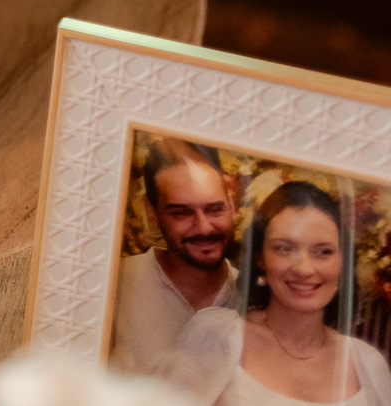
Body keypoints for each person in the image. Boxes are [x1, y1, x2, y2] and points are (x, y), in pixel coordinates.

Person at [158, 180, 391, 406]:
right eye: (284, 249)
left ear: (342, 263)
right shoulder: (217, 335)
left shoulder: (367, 363)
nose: (304, 269)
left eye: (323, 252)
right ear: (260, 258)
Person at [111, 139, 239, 375]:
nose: (204, 228)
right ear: (153, 213)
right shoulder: (114, 284)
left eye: (214, 209)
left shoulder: (255, 300)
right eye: (181, 213)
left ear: (231, 204)